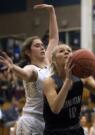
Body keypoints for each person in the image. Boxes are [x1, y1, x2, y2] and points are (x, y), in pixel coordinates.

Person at [0, 4, 59, 135]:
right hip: (31, 121)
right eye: (37, 46)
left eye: (42, 45)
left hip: (46, 121)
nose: (42, 47)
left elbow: (54, 38)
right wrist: (13, 67)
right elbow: (25, 74)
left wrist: (52, 12)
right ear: (28, 51)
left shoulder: (48, 62)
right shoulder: (30, 68)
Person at [42, 44, 95, 135]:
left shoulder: (82, 78)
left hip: (76, 130)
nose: (66, 52)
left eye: (69, 51)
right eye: (61, 51)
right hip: (55, 131)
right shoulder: (49, 82)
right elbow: (56, 109)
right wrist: (67, 81)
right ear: (54, 60)